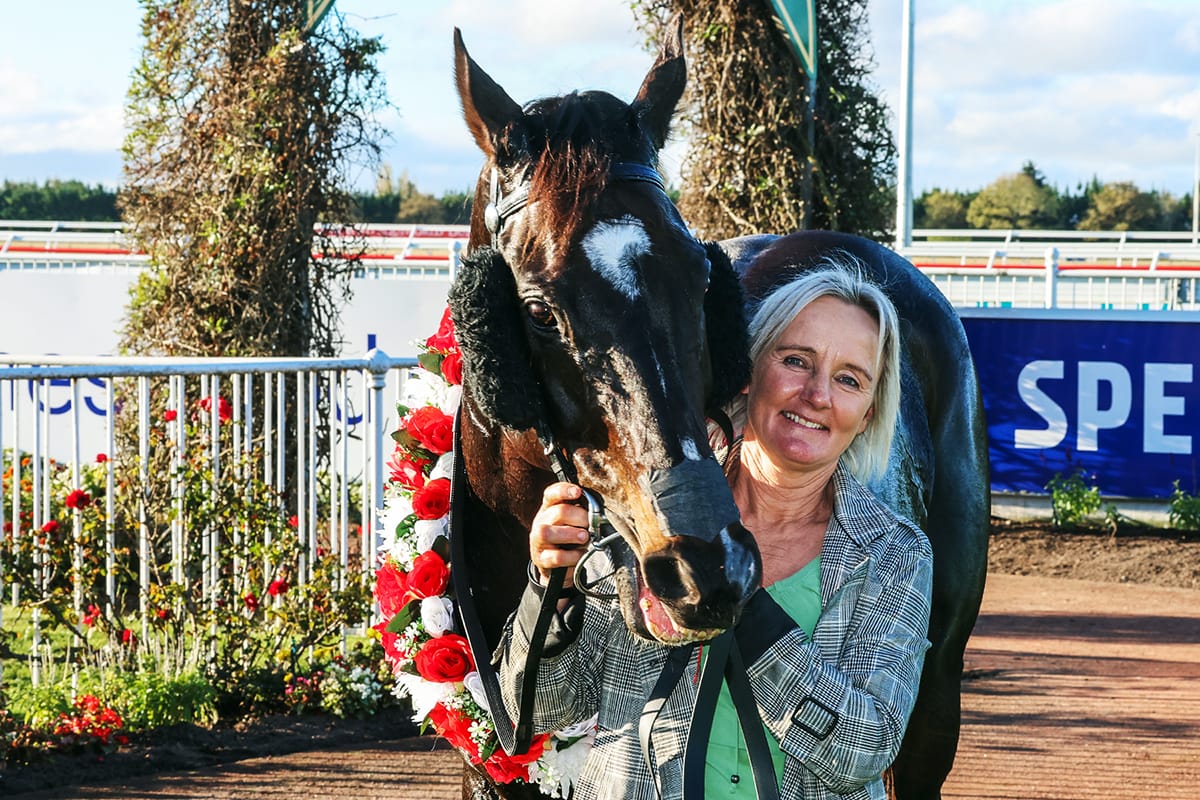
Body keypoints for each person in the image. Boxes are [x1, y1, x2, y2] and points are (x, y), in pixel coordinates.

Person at [499, 260, 934, 800]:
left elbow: (863, 753)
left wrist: (736, 596)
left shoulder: (895, 552)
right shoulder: (643, 510)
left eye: (849, 379)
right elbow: (541, 708)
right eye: (796, 361)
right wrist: (554, 586)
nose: (818, 394)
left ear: (867, 414)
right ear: (747, 372)